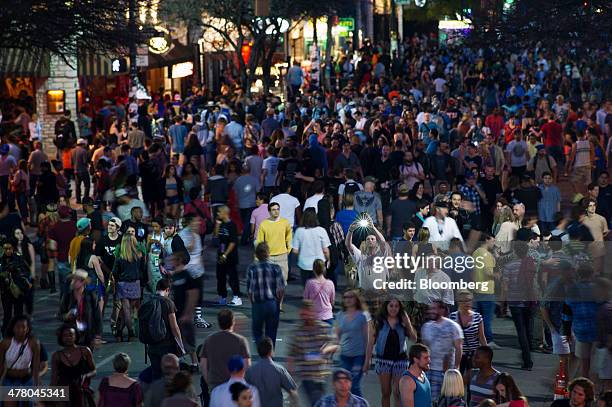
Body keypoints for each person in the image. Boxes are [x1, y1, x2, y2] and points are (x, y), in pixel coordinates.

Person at [366, 296, 417, 407]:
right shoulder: (378, 321)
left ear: (400, 308)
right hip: (383, 360)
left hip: (400, 360)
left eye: (396, 306)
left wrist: (407, 323)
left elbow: (414, 338)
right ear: (386, 306)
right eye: (391, 306)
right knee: (386, 393)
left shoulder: (402, 321)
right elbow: (370, 343)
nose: (393, 309)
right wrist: (367, 362)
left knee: (398, 392)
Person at [288, 299, 338, 406]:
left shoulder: (323, 328)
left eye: (307, 314)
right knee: (316, 402)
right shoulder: (297, 331)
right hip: (307, 375)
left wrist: (325, 349)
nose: (304, 317)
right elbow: (291, 356)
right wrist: (290, 379)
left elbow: (334, 345)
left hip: (322, 374)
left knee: (320, 402)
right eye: (302, 314)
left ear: (313, 313)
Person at [421, 300, 464, 401]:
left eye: (434, 308)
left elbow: (459, 348)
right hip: (429, 370)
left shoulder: (453, 326)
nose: (431, 311)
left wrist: (456, 368)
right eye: (430, 309)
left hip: (446, 372)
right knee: (430, 400)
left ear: (442, 310)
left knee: (447, 400)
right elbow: (424, 349)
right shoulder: (426, 327)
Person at [199, 309, 251, 391]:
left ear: (219, 323)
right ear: (233, 322)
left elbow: (203, 364)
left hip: (215, 385)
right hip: (235, 386)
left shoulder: (209, 340)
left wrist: (209, 382)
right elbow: (247, 365)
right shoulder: (241, 341)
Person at [246, 242, 285, 345]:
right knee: (271, 332)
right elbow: (281, 289)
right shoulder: (276, 268)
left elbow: (249, 290)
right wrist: (279, 302)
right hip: (272, 303)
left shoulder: (252, 269)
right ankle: (269, 355)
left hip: (258, 303)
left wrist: (253, 303)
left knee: (257, 332)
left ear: (257, 255)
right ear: (268, 253)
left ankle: (261, 353)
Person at [146, 279, 185, 381]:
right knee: (170, 376)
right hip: (166, 345)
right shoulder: (168, 303)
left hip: (151, 345)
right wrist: (181, 345)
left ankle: (157, 394)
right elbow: (174, 326)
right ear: (167, 289)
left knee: (156, 376)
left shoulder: (148, 301)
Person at [51, 324, 96, 407]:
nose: (68, 338)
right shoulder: (57, 356)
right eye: (65, 335)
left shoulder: (85, 351)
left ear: (76, 336)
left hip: (80, 391)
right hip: (64, 392)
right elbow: (54, 378)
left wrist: (86, 375)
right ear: (61, 338)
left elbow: (94, 370)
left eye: (71, 335)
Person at [335, 289, 370, 398]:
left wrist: (367, 361)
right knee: (344, 387)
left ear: (356, 299)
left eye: (351, 297)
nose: (348, 300)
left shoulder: (363, 316)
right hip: (344, 356)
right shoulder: (340, 315)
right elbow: (336, 336)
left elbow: (367, 339)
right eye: (345, 297)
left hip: (358, 356)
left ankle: (362, 405)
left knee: (354, 385)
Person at [245, 337, 298, 407]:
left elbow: (244, 393)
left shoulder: (250, 371)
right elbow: (293, 391)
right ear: (271, 351)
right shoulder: (279, 370)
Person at [0, 315, 41, 405]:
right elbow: (1, 365)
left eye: (23, 327)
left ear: (28, 329)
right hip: (10, 380)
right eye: (17, 327)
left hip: (26, 379)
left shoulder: (34, 343)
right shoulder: (5, 343)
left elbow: (36, 367)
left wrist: (36, 386)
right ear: (13, 328)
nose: (21, 330)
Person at [59, 270, 102, 350]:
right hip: (72, 335)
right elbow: (60, 315)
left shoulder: (91, 296)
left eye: (76, 280)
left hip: (87, 334)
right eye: (72, 279)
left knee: (86, 358)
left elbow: (97, 316)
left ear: (83, 282)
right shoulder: (67, 296)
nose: (73, 282)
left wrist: (97, 336)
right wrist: (66, 316)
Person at [112, 233, 143, 341]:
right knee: (127, 310)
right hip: (135, 283)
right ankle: (123, 332)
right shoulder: (139, 256)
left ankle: (127, 332)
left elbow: (115, 272)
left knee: (125, 310)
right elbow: (141, 270)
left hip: (123, 284)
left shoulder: (120, 257)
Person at [449, 291, 487, 374]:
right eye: (463, 301)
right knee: (458, 380)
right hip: (458, 355)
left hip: (473, 355)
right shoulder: (452, 317)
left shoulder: (477, 317)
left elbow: (481, 337)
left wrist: (486, 354)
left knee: (472, 380)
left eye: (469, 300)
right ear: (458, 302)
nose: (467, 303)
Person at [255, 202, 292, 285]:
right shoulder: (264, 224)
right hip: (268, 257)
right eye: (273, 210)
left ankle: (280, 298)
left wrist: (288, 249)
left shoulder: (285, 222)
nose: (276, 211)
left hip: (282, 255)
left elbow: (289, 237)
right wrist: (257, 257)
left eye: (278, 209)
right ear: (269, 211)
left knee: (282, 281)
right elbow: (260, 241)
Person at [292, 208, 331, 285]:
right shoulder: (321, 230)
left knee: (307, 287)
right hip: (319, 264)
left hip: (304, 264)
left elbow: (295, 251)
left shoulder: (299, 231)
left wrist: (299, 258)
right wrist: (328, 259)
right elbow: (325, 250)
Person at [214, 205, 242, 306]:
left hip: (230, 256)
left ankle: (237, 297)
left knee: (232, 277)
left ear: (225, 213)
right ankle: (222, 296)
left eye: (219, 212)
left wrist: (225, 255)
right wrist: (217, 224)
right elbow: (216, 236)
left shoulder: (232, 225)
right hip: (220, 254)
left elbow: (233, 242)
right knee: (220, 277)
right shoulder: (221, 224)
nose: (217, 214)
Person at [304, 259, 335, 325]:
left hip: (314, 317)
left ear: (313, 270)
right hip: (327, 316)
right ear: (324, 269)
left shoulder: (310, 283)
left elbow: (306, 299)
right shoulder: (330, 283)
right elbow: (332, 301)